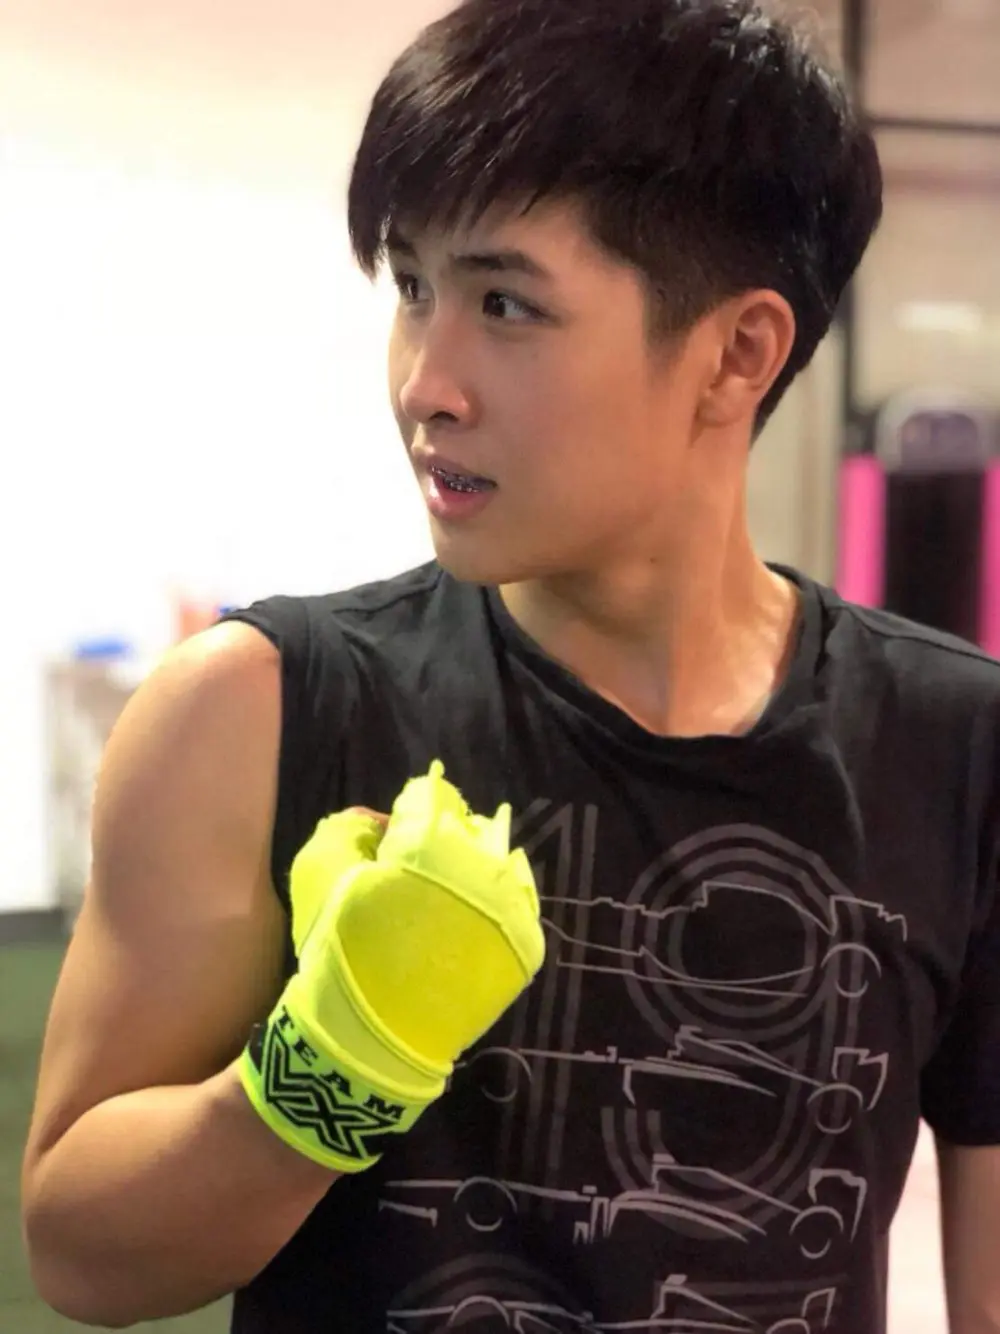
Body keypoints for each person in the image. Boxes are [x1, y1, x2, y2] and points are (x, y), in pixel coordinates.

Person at [20, 0, 1000, 1331]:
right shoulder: (257, 707)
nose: (427, 382)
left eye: (504, 303)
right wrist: (335, 1061)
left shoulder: (956, 749)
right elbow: (82, 1255)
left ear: (737, 354)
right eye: (412, 287)